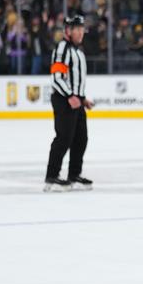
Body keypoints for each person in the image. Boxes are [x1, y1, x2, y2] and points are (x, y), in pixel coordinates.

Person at [44, 15, 94, 192]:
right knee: (63, 138)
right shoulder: (62, 49)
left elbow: (75, 80)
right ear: (68, 31)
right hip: (64, 100)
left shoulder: (78, 51)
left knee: (81, 139)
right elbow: (57, 78)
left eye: (82, 30)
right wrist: (70, 96)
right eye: (77, 30)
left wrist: (82, 98)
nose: (81, 33)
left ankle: (73, 175)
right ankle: (51, 176)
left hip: (75, 101)